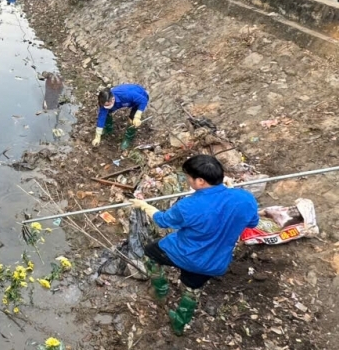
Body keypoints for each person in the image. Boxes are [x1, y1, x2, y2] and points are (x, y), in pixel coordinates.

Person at [131, 155, 259, 334]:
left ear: (200, 181)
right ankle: (179, 324)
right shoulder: (246, 199)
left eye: (188, 177)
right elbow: (252, 223)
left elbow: (162, 221)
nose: (187, 180)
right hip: (214, 263)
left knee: (149, 253)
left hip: (182, 253)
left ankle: (160, 290)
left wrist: (144, 206)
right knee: (192, 289)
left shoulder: (188, 206)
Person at [92, 84, 148, 150]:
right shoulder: (105, 102)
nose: (105, 107)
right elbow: (101, 117)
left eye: (107, 105)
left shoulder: (126, 95)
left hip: (139, 98)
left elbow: (143, 100)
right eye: (104, 105)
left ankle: (128, 138)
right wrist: (97, 136)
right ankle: (108, 128)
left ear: (112, 99)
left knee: (132, 121)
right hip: (119, 102)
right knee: (106, 112)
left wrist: (137, 116)